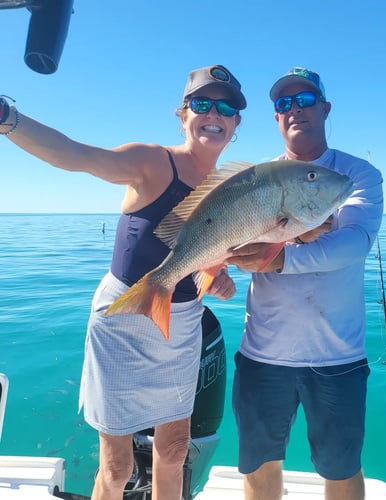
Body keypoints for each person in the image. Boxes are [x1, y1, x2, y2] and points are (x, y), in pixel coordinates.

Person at [1, 64, 246, 500]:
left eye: (225, 106)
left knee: (172, 451)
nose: (214, 113)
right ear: (182, 114)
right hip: (124, 317)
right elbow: (78, 156)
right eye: (202, 103)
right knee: (117, 468)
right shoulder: (152, 161)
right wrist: (8, 118)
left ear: (236, 123)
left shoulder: (226, 189)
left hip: (184, 322)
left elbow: (207, 259)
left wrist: (218, 278)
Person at [227, 67, 384, 500]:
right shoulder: (258, 179)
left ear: (325, 108)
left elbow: (353, 243)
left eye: (305, 100)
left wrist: (277, 260)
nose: (295, 109)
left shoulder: (357, 175)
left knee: (341, 469)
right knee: (259, 467)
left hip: (337, 356)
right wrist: (216, 268)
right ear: (276, 118)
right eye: (284, 104)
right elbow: (229, 244)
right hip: (262, 354)